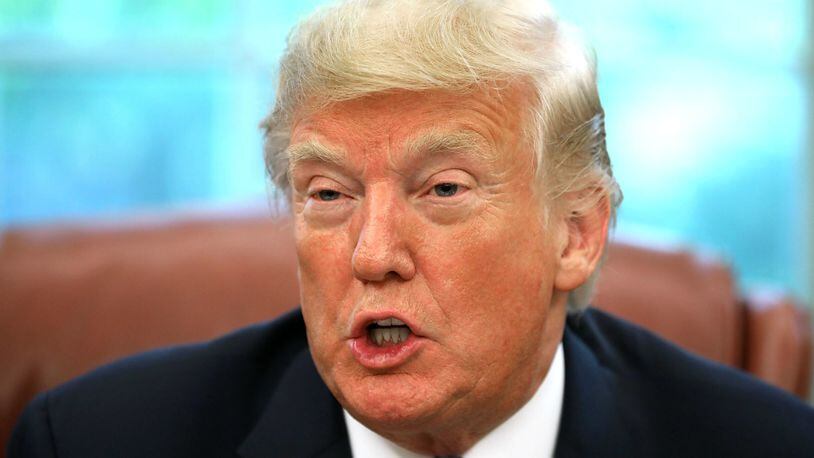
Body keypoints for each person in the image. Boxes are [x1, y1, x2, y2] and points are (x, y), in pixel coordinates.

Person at [9, 1, 814, 457]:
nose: (372, 254)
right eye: (328, 194)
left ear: (576, 233)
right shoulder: (93, 443)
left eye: (443, 188)